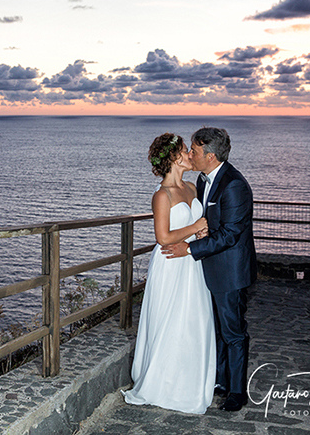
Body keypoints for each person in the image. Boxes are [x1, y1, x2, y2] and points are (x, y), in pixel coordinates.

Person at [161, 127, 256, 412]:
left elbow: (230, 234)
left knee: (233, 332)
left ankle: (237, 392)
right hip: (208, 268)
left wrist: (189, 249)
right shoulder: (203, 180)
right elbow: (210, 221)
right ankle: (220, 380)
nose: (190, 154)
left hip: (229, 271)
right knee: (214, 329)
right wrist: (201, 234)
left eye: (194, 150)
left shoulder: (234, 185)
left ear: (210, 156)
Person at [123, 133, 216, 414]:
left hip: (191, 263)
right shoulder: (162, 195)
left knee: (194, 320)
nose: (190, 154)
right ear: (174, 158)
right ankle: (162, 383)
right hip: (170, 264)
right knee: (170, 321)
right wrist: (196, 225)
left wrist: (204, 229)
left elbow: (200, 226)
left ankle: (190, 381)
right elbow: (163, 236)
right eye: (186, 150)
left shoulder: (192, 187)